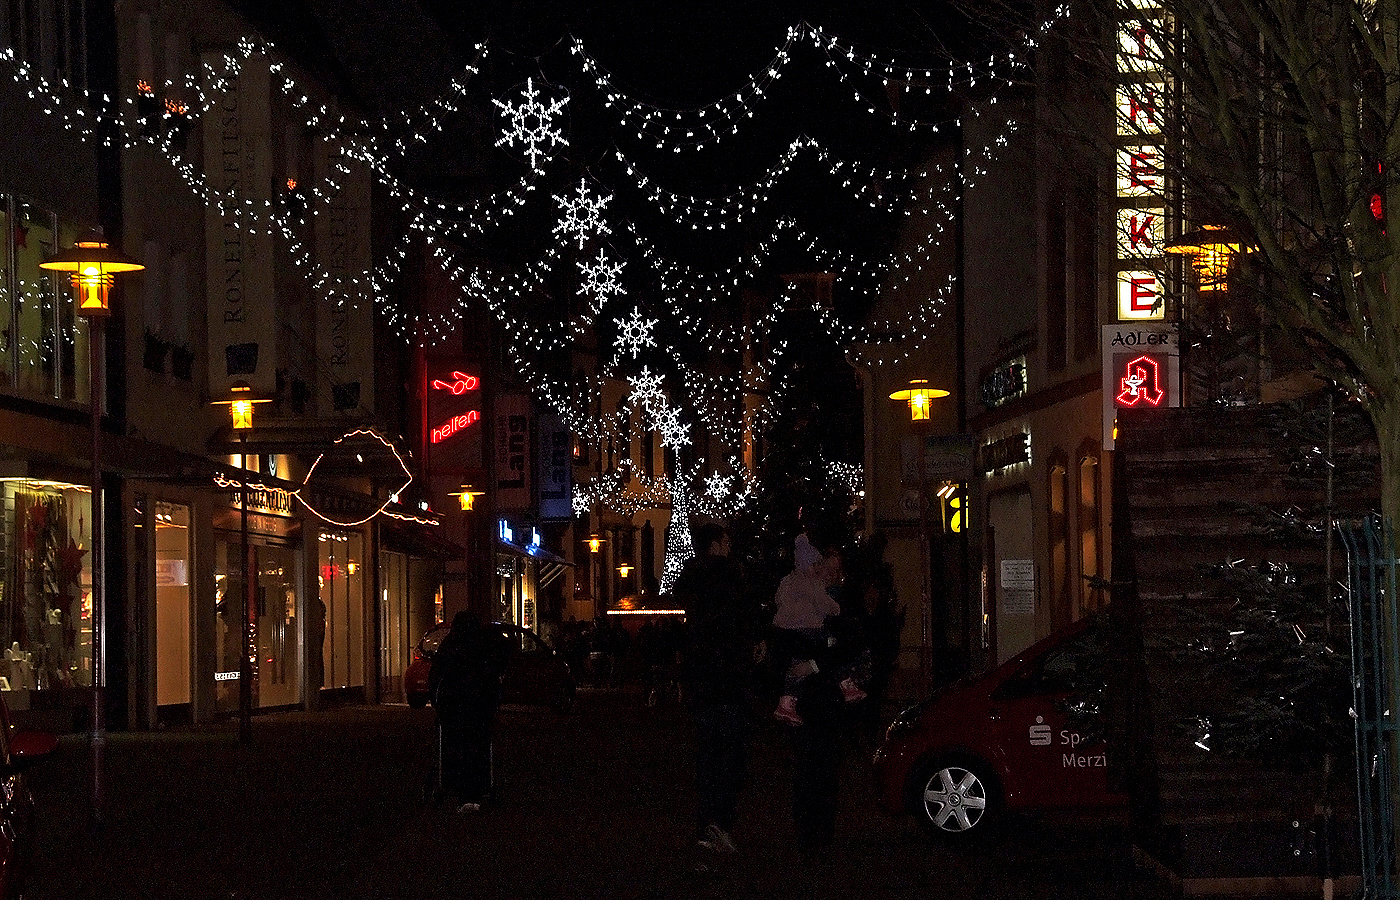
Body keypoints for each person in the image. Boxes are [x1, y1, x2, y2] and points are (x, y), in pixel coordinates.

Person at [674, 522, 764, 855]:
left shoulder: (694, 581)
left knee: (707, 758)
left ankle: (706, 826)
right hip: (729, 680)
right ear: (715, 544)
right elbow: (743, 622)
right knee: (731, 759)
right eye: (726, 540)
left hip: (703, 684)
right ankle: (720, 824)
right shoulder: (732, 577)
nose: (730, 545)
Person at [770, 549, 865, 727]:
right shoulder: (801, 597)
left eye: (835, 571)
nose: (830, 575)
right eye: (826, 569)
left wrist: (813, 665)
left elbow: (849, 646)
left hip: (831, 700)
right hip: (804, 701)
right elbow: (785, 642)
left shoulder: (843, 605)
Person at [428, 610, 510, 813]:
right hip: (480, 705)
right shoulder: (484, 644)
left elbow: (436, 675)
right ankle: (478, 789)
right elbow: (498, 666)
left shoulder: (451, 644)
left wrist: (438, 703)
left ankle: (458, 788)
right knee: (479, 747)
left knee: (456, 747)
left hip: (454, 706)